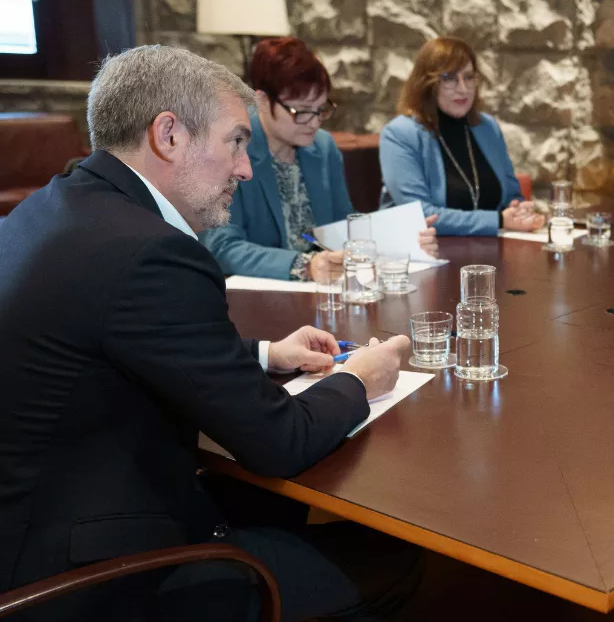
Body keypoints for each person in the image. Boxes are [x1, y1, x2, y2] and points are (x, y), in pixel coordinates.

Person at [0, 45, 421, 621]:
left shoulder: (53, 206)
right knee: (394, 560)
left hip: (36, 520)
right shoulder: (152, 252)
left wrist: (268, 353)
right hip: (86, 577)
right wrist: (358, 378)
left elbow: (121, 346)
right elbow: (280, 444)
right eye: (236, 141)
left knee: (274, 510)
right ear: (168, 134)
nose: (246, 169)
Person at [200, 37, 437, 280]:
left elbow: (343, 226)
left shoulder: (323, 147)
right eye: (301, 111)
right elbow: (221, 247)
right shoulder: (232, 148)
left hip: (324, 289)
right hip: (260, 294)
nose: (314, 122)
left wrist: (404, 238)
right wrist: (304, 265)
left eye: (321, 109)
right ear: (261, 100)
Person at [379, 36, 544, 236]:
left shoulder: (488, 127)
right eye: (449, 78)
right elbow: (421, 215)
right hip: (429, 254)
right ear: (427, 84)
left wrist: (519, 210)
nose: (463, 89)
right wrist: (498, 220)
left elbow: (511, 195)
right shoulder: (400, 134)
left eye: (468, 77)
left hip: (491, 251)